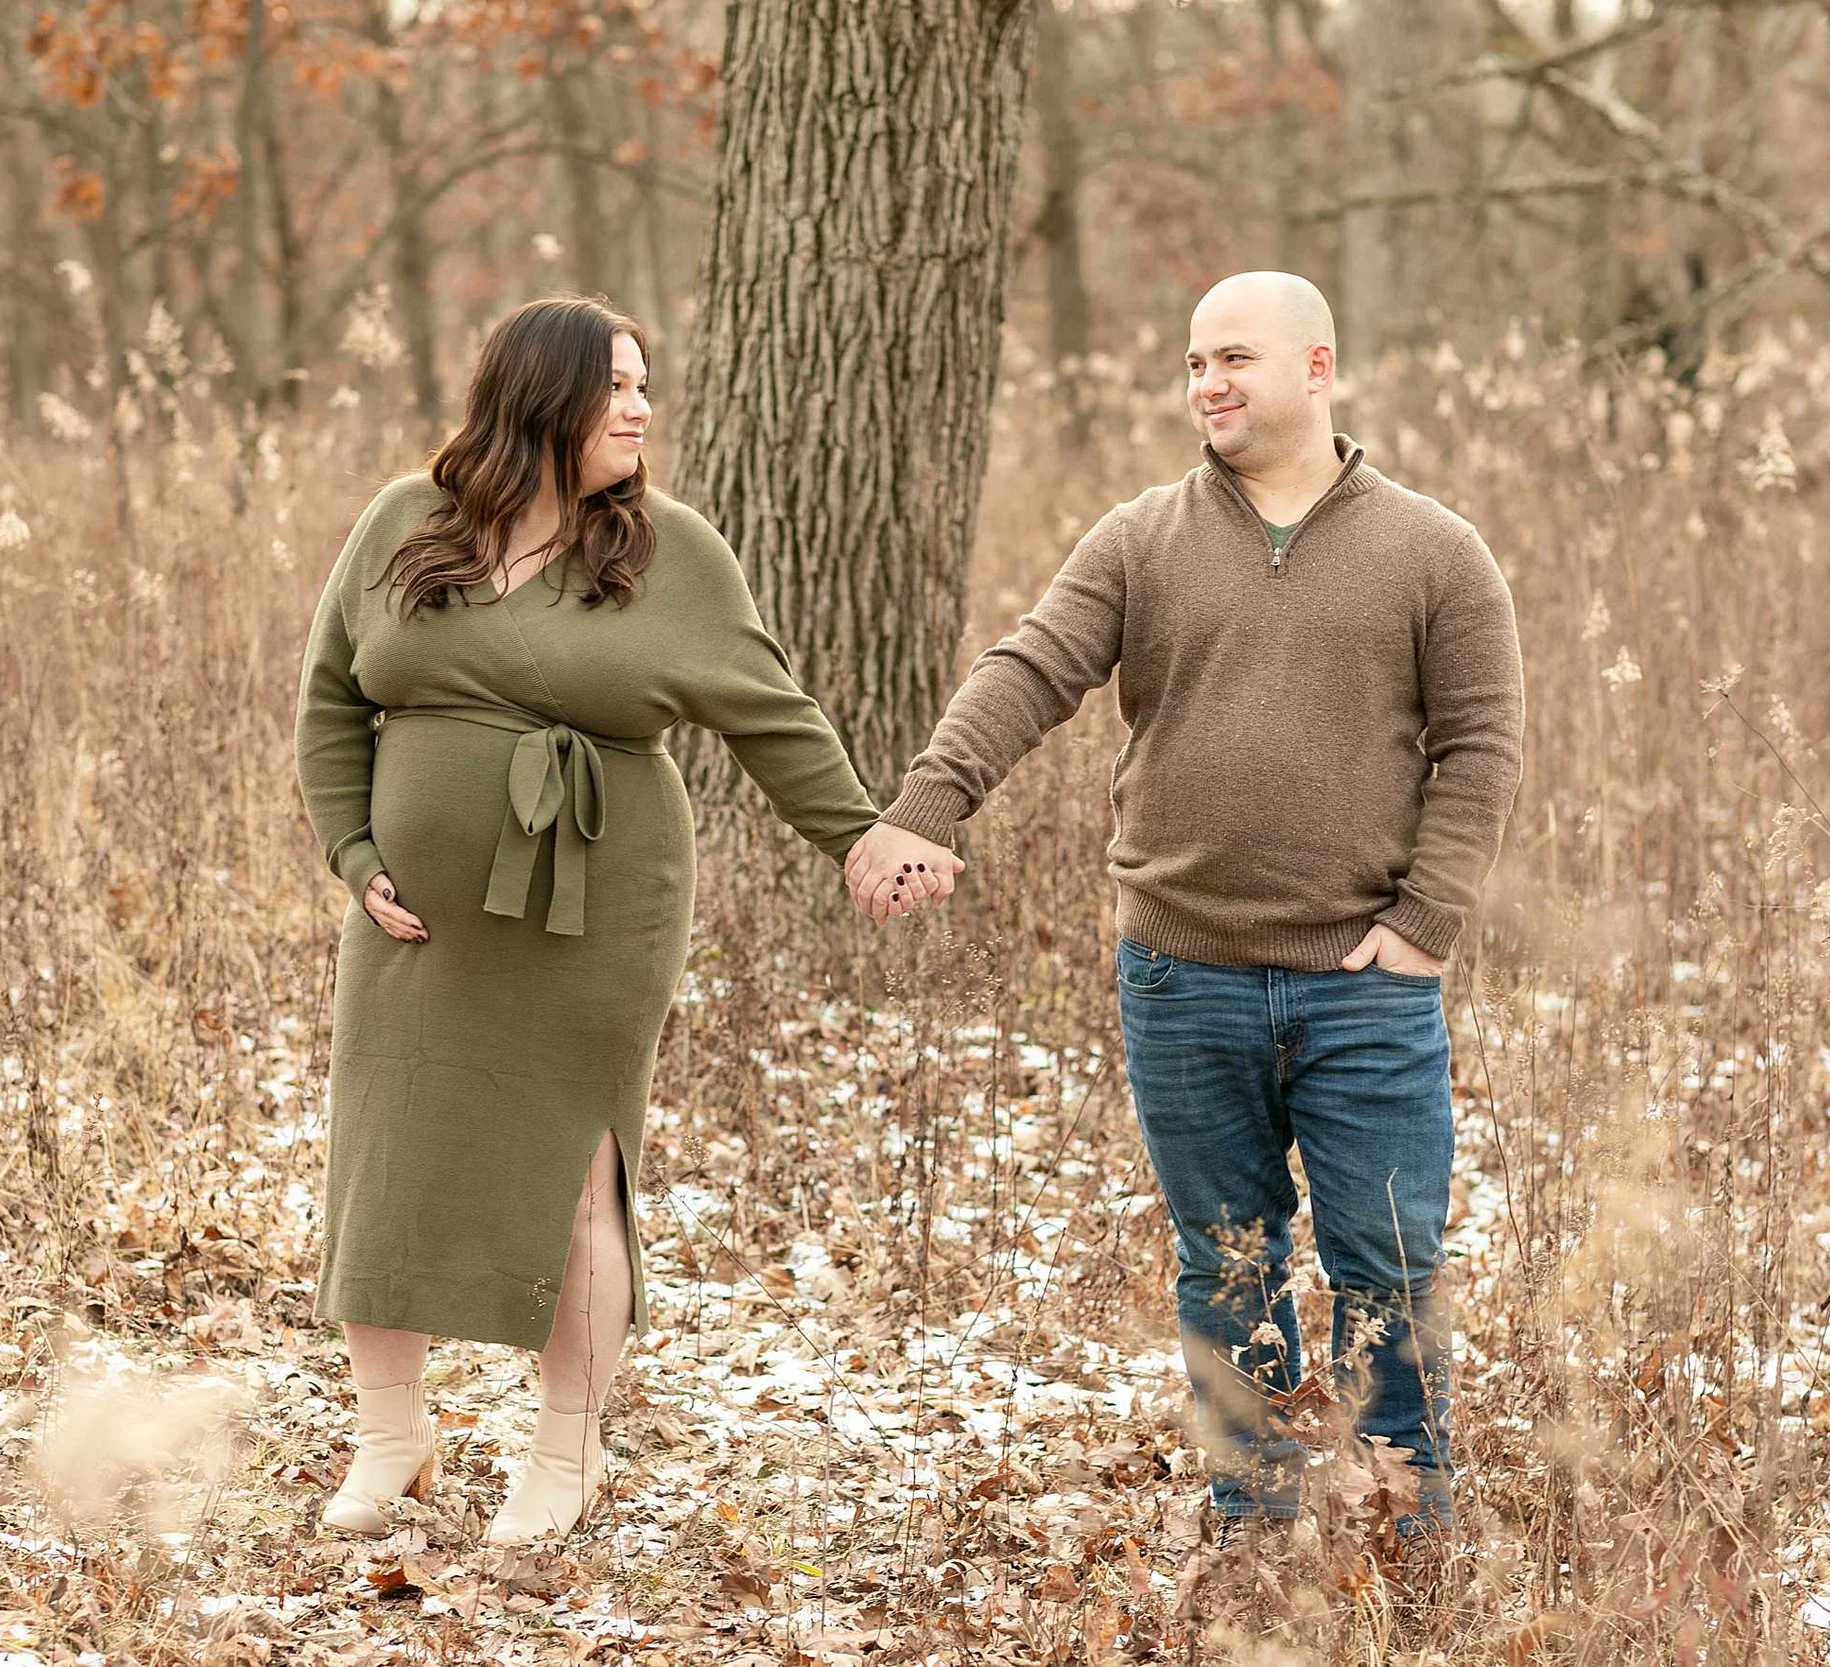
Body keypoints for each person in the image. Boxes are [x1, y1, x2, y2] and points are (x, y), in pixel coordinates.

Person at [844, 273, 1525, 1546]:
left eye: (1236, 357)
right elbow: (1030, 669)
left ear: (1316, 367)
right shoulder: (1139, 537)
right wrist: (925, 805)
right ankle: (1255, 1536)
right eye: (1194, 361)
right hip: (1182, 973)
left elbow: (1482, 745)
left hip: (1364, 982)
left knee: (1388, 1269)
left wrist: (1425, 922)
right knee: (1228, 1261)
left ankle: (1402, 1531)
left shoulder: (1434, 549)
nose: (1208, 382)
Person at [293, 295, 952, 1541]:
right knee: (387, 1160)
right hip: (413, 917)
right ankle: (390, 1440)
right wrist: (355, 851)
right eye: (617, 388)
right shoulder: (403, 523)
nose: (643, 410)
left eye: (646, 386)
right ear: (540, 398)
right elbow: (330, 701)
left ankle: (566, 1453)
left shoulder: (669, 555)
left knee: (576, 1168)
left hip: (595, 906)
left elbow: (771, 713)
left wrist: (864, 836)